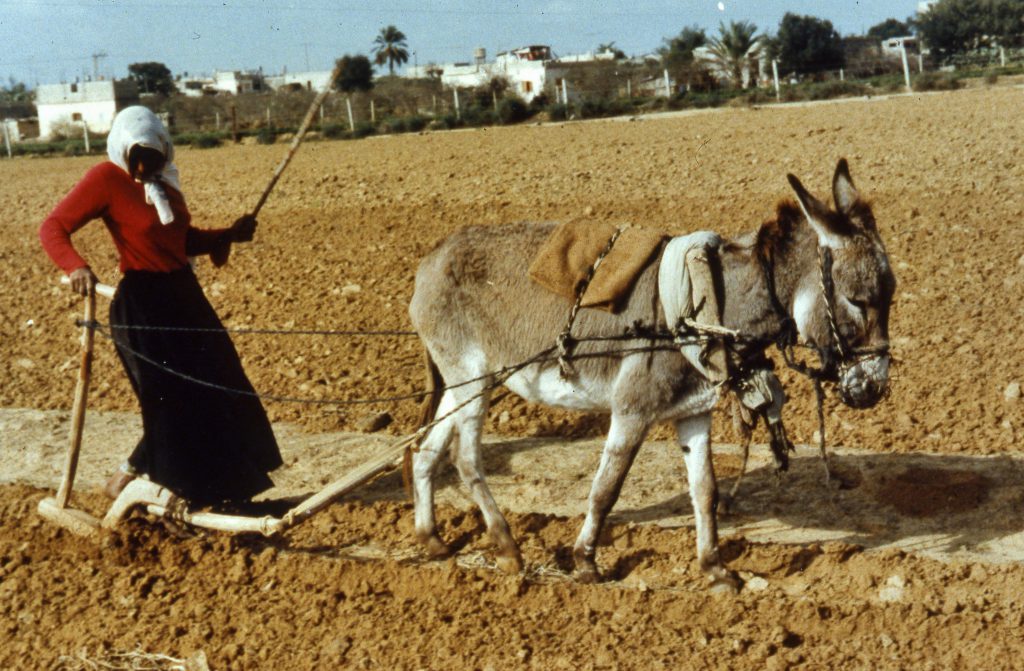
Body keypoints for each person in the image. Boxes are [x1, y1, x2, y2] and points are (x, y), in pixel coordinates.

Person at [39, 106, 282, 508]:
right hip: (143, 304)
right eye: (136, 157)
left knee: (222, 385)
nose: (142, 168)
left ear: (165, 151)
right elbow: (53, 228)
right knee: (169, 401)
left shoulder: (165, 183)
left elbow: (180, 241)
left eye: (151, 158)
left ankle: (229, 490)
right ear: (122, 150)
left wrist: (228, 235)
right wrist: (75, 266)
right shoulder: (106, 178)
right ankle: (173, 493)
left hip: (184, 297)